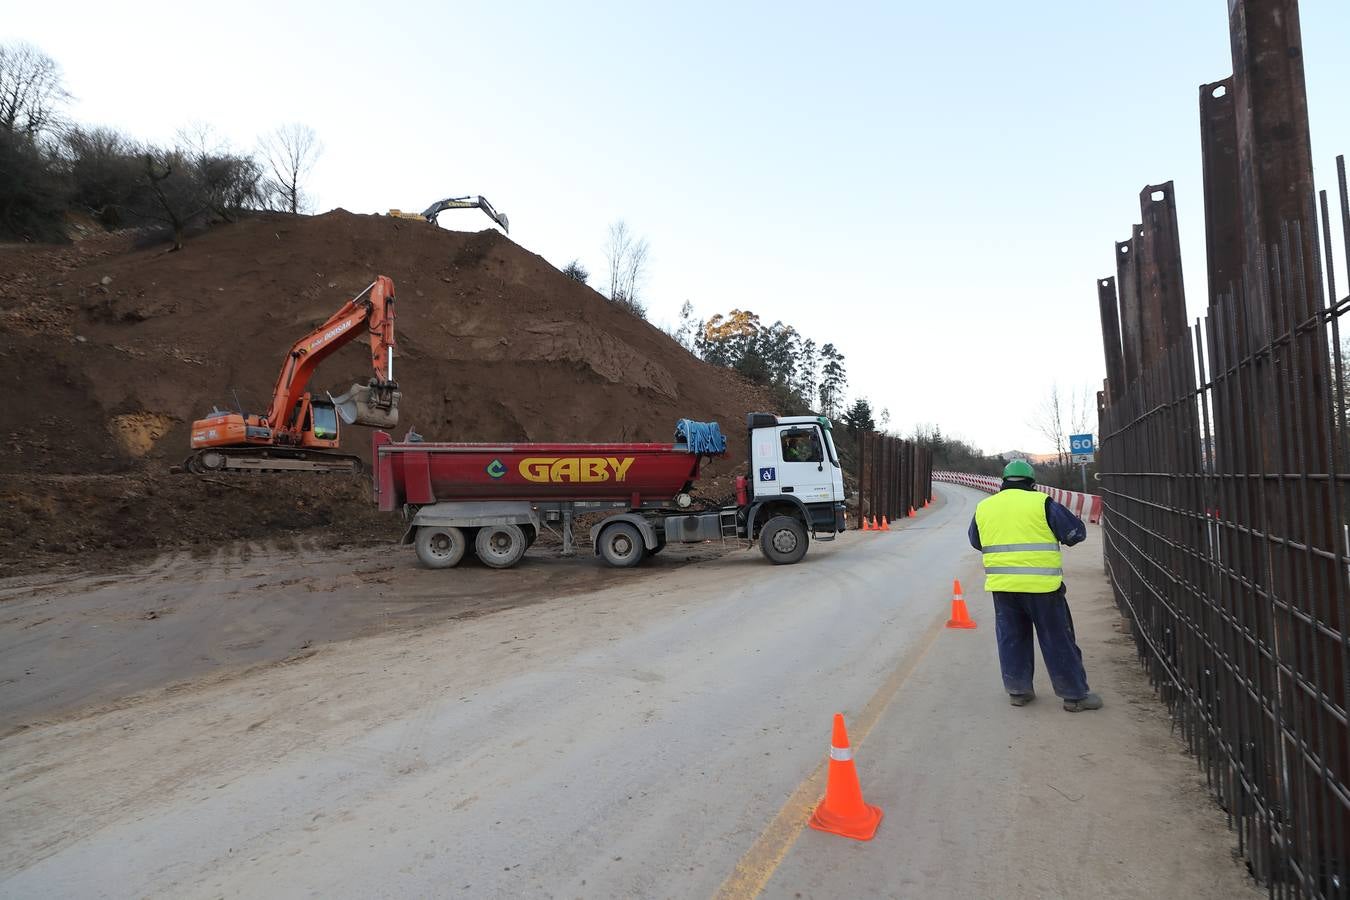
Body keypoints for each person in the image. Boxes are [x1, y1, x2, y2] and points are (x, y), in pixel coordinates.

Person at [967, 459, 1102, 712]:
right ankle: (1074, 696)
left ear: (1003, 483)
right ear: (1032, 483)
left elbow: (976, 540)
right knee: (1057, 639)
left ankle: (1018, 691)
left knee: (1011, 638)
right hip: (1043, 588)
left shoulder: (984, 507)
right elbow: (1076, 534)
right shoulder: (1043, 503)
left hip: (1004, 587)